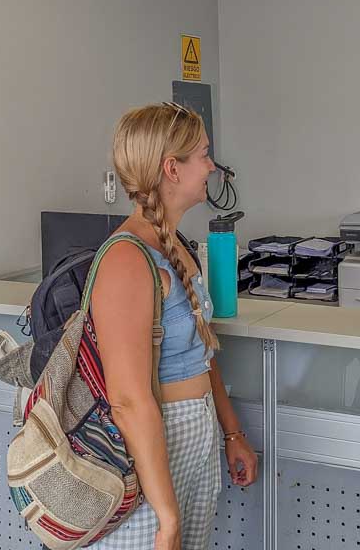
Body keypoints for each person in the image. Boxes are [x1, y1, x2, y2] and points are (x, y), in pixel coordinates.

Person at [89, 102, 258, 550]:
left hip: (193, 435)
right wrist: (166, 519)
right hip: (152, 450)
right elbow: (128, 401)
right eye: (203, 155)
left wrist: (231, 432)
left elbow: (202, 351)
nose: (211, 166)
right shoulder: (126, 260)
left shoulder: (174, 246)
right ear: (172, 169)